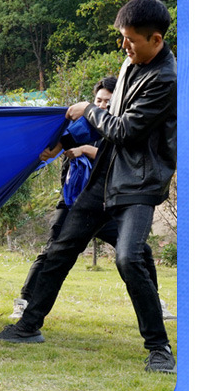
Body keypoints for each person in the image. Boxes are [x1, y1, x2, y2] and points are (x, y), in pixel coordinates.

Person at [0, 0, 177, 374]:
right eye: (122, 39)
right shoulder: (130, 63)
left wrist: (88, 109)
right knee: (61, 247)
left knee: (128, 257)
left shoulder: (166, 79)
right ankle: (28, 327)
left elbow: (124, 129)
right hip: (105, 176)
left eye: (131, 40)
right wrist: (61, 140)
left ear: (156, 40)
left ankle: (160, 349)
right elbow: (109, 123)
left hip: (139, 184)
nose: (124, 47)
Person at [9, 77, 174, 320]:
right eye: (98, 101)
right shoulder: (84, 124)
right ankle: (25, 302)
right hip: (74, 202)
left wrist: (85, 150)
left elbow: (118, 156)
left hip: (110, 203)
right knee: (53, 251)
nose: (102, 105)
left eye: (108, 101)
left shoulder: (124, 125)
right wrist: (51, 151)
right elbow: (63, 142)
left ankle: (155, 304)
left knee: (138, 253)